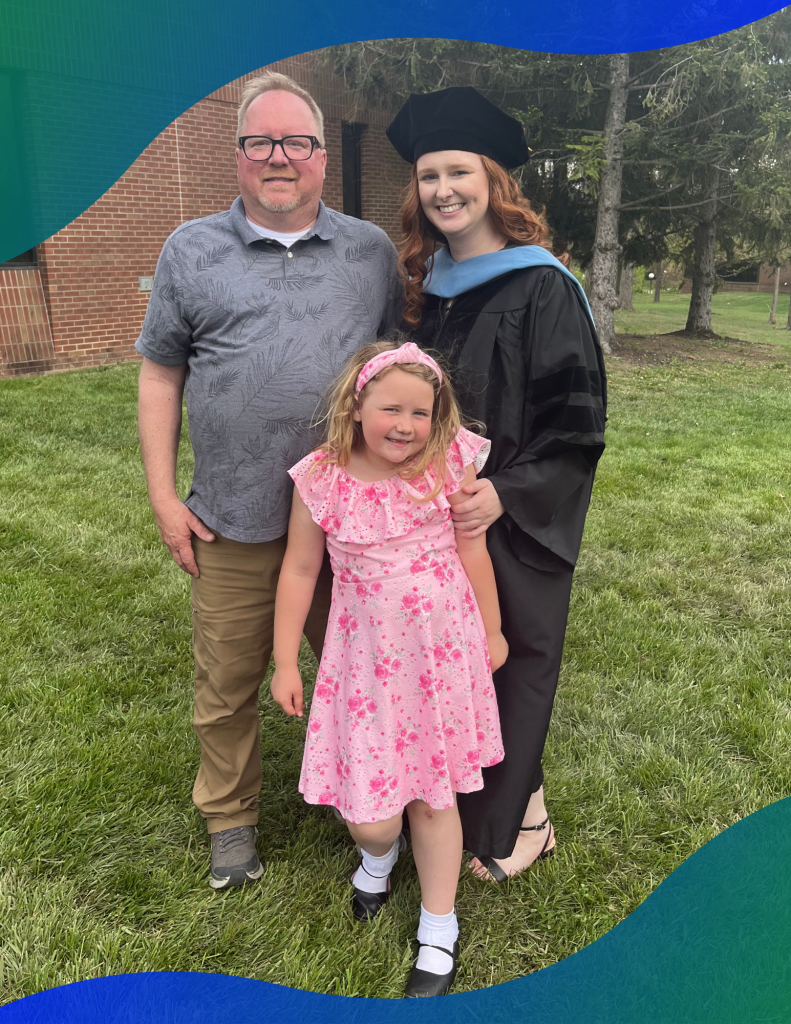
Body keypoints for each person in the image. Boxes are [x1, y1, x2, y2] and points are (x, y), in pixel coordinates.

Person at [136, 72, 399, 890]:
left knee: (368, 674)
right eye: (261, 142)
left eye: (297, 142)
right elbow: (158, 374)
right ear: (239, 154)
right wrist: (162, 495)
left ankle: (374, 799)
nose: (278, 158)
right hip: (235, 516)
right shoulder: (190, 249)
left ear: (321, 155)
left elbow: (400, 373)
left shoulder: (369, 251)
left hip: (352, 523)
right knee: (228, 681)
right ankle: (230, 819)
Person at [386, 87, 607, 882]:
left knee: (506, 661)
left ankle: (518, 823)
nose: (442, 189)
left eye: (458, 172)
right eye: (427, 176)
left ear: (493, 181)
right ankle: (489, 808)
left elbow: (577, 425)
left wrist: (506, 492)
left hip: (504, 517)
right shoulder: (426, 284)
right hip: (427, 517)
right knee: (446, 668)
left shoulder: (543, 286)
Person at [270, 339, 508, 996]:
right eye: (389, 409)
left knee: (435, 798)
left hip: (439, 655)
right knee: (370, 816)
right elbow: (297, 569)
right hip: (365, 664)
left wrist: (490, 628)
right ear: (356, 405)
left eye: (419, 413)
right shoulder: (321, 477)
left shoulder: (447, 465)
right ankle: (380, 854)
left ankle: (438, 927)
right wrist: (285, 659)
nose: (404, 426)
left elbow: (474, 550)